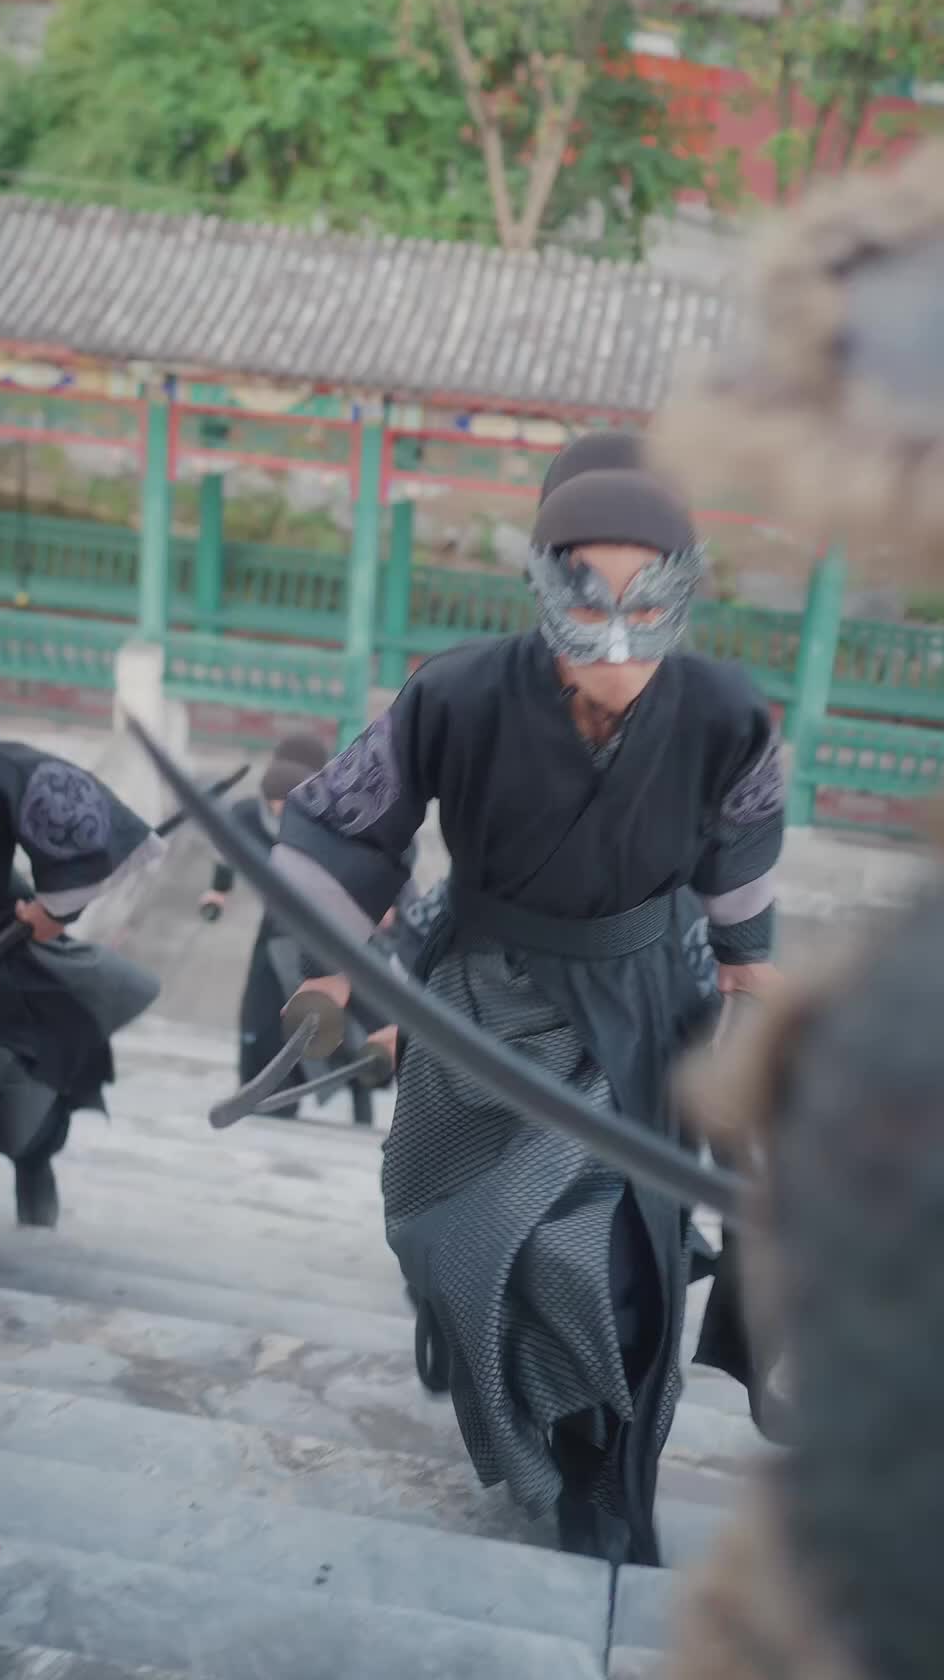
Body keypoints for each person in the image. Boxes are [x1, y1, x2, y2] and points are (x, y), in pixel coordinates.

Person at [272, 433, 783, 1565]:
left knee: (607, 1259)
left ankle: (605, 1474)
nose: (616, 628)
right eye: (587, 585)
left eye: (645, 586)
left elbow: (741, 866)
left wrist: (748, 976)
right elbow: (353, 829)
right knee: (459, 1238)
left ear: (683, 582)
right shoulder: (455, 693)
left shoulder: (723, 712)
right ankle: (518, 1401)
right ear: (544, 573)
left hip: (638, 1015)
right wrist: (329, 964)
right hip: (480, 1007)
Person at [0, 570, 161, 1267]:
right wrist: (55, 908)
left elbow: (70, 808)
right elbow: (66, 801)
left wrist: (49, 912)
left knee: (43, 1069)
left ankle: (33, 1170)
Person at [199, 729, 391, 1125]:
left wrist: (389, 904)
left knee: (359, 1017)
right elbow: (225, 853)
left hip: (339, 931)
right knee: (263, 1016)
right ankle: (266, 1092)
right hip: (278, 929)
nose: (277, 813)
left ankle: (365, 1084)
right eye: (272, 805)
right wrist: (218, 893)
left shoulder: (340, 817)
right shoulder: (247, 816)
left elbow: (385, 859)